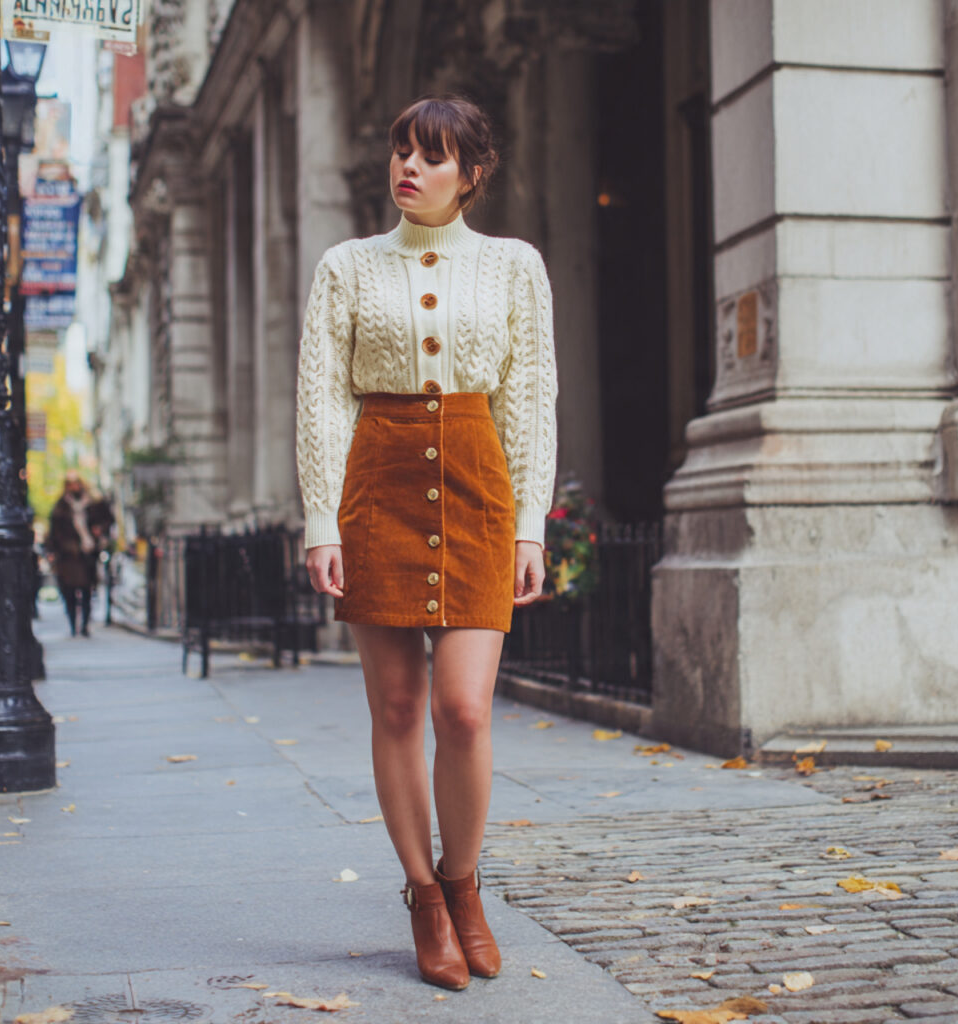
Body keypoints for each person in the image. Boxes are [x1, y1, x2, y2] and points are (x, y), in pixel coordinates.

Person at [296, 95, 558, 990]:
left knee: (466, 709)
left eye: (431, 156)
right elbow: (324, 398)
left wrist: (531, 524)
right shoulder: (346, 268)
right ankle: (423, 897)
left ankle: (465, 882)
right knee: (399, 710)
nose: (408, 167)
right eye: (402, 151)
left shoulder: (517, 266)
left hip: (481, 482)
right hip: (380, 484)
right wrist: (319, 521)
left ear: (471, 175)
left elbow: (529, 397)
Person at [46, 472, 114, 638]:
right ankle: (72, 624)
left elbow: (108, 519)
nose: (74, 486)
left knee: (86, 590)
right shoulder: (61, 507)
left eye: (76, 483)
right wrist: (52, 552)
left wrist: (99, 530)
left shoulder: (93, 504)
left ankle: (84, 625)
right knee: (69, 591)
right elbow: (53, 532)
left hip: (87, 554)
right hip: (67, 556)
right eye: (70, 483)